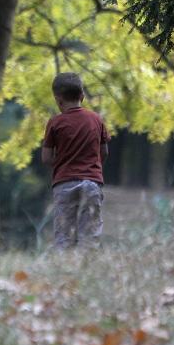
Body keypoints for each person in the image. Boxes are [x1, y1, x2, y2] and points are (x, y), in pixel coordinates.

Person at [41, 72, 110, 249]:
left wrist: (63, 164)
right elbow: (104, 152)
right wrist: (90, 165)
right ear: (82, 96)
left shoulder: (55, 123)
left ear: (58, 100)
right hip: (92, 183)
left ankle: (65, 266)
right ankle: (86, 264)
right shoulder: (96, 119)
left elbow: (46, 157)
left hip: (64, 184)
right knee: (90, 235)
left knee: (64, 236)